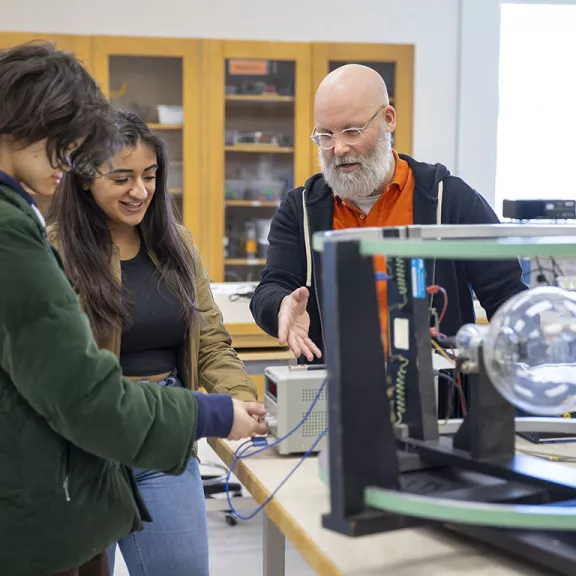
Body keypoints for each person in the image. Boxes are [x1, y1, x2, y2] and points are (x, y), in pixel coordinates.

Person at [0, 43, 266, 576]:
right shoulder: (37, 240)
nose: (139, 190)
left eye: (149, 176)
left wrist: (235, 399)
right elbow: (81, 393)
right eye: (120, 177)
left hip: (158, 427)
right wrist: (210, 412)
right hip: (90, 440)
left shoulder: (176, 244)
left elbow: (209, 338)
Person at [250, 64, 527, 363]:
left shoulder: (450, 200)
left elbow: (508, 297)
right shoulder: (301, 209)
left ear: (388, 119)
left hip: (439, 400)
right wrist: (281, 305)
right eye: (326, 136)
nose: (339, 148)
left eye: (352, 131)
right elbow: (270, 288)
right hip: (331, 398)